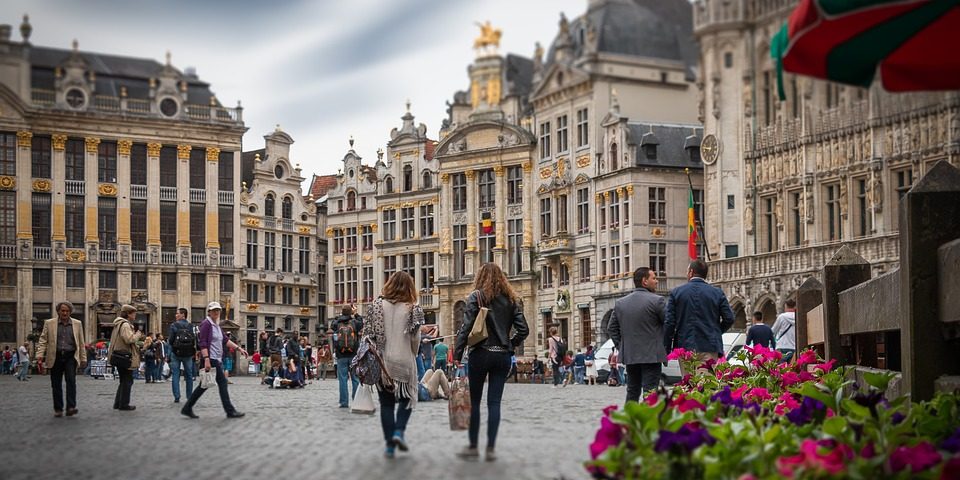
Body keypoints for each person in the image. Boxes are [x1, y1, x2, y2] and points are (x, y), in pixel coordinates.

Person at [453, 263, 529, 461]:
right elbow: (524, 330)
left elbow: (466, 327)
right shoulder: (511, 300)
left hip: (480, 353)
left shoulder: (477, 297)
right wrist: (511, 344)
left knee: (475, 402)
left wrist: (457, 355)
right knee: (494, 403)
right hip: (502, 355)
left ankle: (473, 446)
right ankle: (491, 448)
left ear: (480, 277)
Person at [364, 271, 424, 458]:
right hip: (404, 360)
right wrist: (413, 352)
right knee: (407, 399)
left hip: (382, 362)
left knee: (386, 404)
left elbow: (368, 335)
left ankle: (390, 446)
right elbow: (415, 339)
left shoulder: (376, 306)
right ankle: (399, 431)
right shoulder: (413, 308)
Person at [663, 260, 735, 376]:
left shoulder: (677, 293)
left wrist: (666, 348)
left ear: (691, 272)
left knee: (688, 383)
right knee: (707, 384)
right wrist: (715, 332)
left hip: (685, 346)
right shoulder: (717, 293)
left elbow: (669, 323)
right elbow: (729, 318)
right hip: (709, 345)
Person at [608, 267, 667, 401]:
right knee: (650, 392)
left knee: (632, 391)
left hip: (631, 355)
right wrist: (665, 346)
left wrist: (622, 346)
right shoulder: (657, 301)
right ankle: (648, 414)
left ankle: (630, 414)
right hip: (652, 356)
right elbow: (669, 325)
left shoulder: (621, 303)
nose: (657, 281)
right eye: (654, 278)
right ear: (644, 281)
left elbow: (611, 328)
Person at [181, 302, 248, 419]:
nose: (216, 312)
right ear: (209, 312)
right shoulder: (206, 324)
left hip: (215, 358)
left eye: (218, 310)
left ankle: (187, 408)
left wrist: (239, 349)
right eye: (214, 310)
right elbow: (203, 343)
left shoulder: (216, 325)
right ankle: (230, 411)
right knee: (222, 383)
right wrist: (206, 359)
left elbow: (225, 340)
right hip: (211, 359)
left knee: (204, 385)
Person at [36, 301, 87, 417]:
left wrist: (83, 358)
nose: (65, 313)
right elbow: (43, 340)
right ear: (58, 311)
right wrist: (39, 355)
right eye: (63, 311)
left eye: (67, 311)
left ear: (70, 312)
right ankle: (58, 409)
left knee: (71, 381)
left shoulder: (77, 324)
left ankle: (71, 407)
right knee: (56, 383)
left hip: (70, 356)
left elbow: (81, 342)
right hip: (56, 356)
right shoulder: (49, 323)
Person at [108, 304, 143, 411]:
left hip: (120, 355)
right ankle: (124, 404)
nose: (135, 315)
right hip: (124, 356)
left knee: (124, 380)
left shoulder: (120, 323)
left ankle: (118, 403)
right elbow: (129, 339)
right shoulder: (125, 325)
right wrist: (138, 334)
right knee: (128, 380)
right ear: (128, 314)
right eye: (134, 313)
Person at [331, 306, 363, 408]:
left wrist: (339, 316)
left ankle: (344, 402)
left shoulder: (337, 323)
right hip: (353, 354)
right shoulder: (354, 322)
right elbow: (361, 322)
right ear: (350, 312)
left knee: (343, 379)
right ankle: (356, 400)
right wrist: (356, 314)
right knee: (355, 378)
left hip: (341, 355)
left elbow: (332, 324)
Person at [168, 308, 197, 403]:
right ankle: (189, 396)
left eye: (177, 313)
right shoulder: (191, 326)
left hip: (176, 353)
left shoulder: (174, 325)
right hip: (188, 353)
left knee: (175, 374)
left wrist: (169, 353)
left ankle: (177, 396)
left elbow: (171, 340)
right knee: (189, 375)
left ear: (183, 315)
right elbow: (194, 340)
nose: (176, 315)